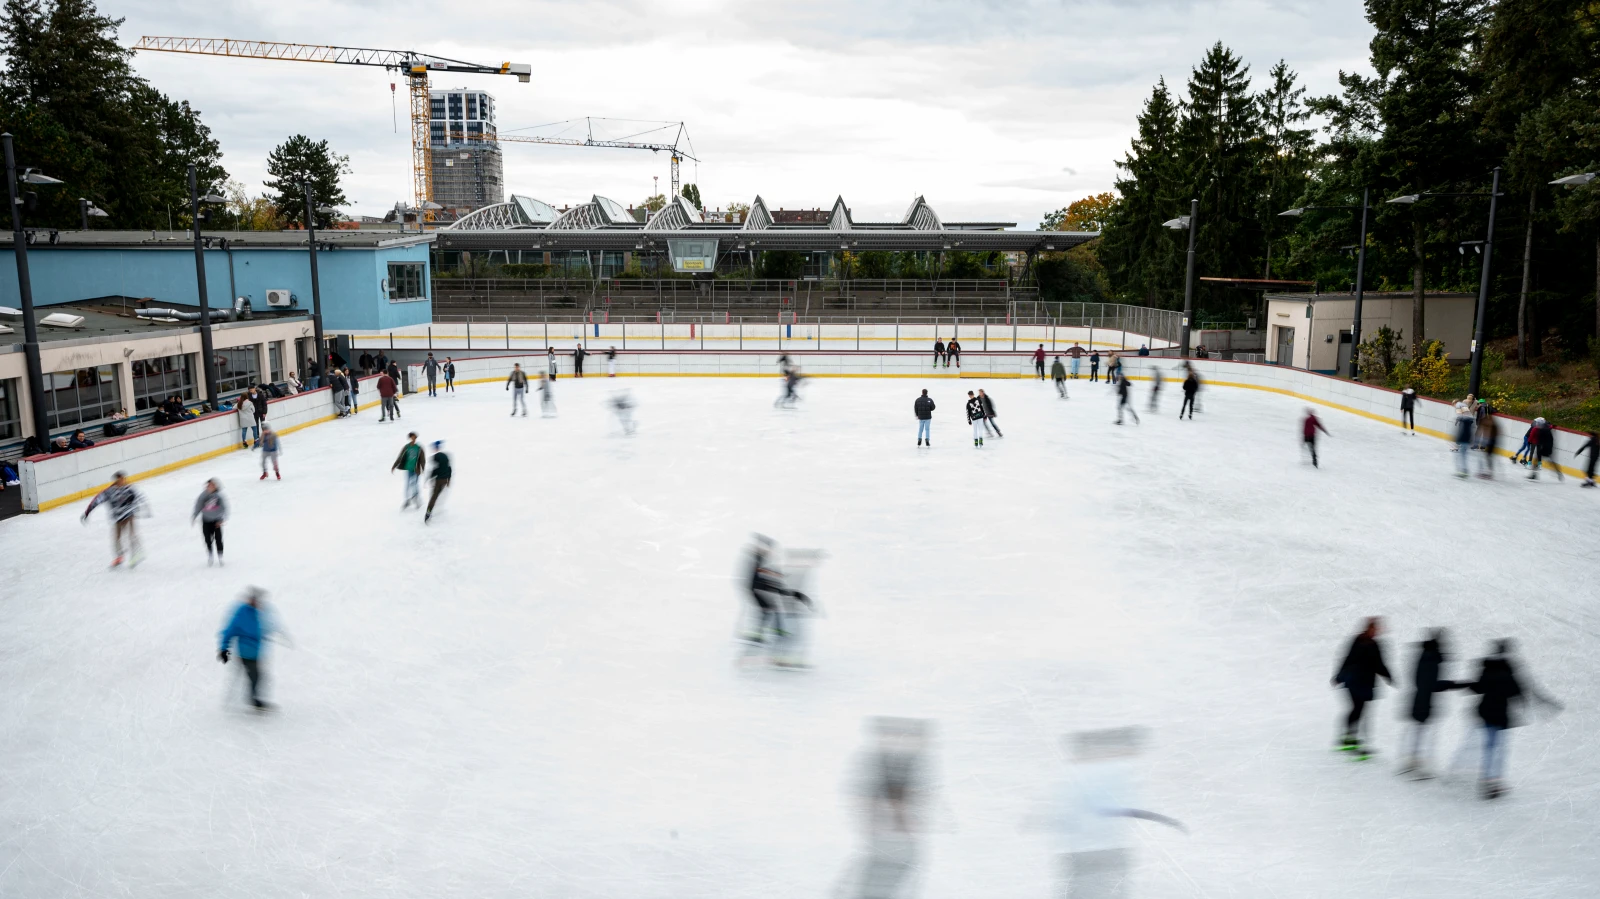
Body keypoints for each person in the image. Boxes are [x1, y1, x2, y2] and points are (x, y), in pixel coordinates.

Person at [1462, 638, 1561, 799]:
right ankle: (1493, 783)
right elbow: (1518, 692)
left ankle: (1487, 780)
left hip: (1486, 713)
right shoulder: (1509, 672)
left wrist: (1467, 684)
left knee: (1489, 747)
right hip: (1500, 715)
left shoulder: (1487, 668)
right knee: (1498, 749)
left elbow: (1478, 688)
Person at [1400, 629, 1459, 779]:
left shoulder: (1423, 656)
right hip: (1425, 701)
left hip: (1420, 697)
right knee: (1425, 732)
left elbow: (1417, 678)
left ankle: (1412, 762)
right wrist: (1452, 684)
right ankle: (1419, 766)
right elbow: (1433, 684)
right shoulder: (1431, 659)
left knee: (1419, 731)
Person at [1332, 617, 1392, 757]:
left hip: (1365, 682)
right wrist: (1339, 677)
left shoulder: (1374, 644)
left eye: (1377, 629)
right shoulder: (1358, 641)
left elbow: (1379, 664)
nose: (1376, 632)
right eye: (1374, 629)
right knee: (1357, 709)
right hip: (1354, 681)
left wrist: (1388, 676)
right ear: (1369, 628)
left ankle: (1348, 738)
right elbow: (1348, 658)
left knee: (1358, 710)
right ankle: (1352, 741)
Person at [217, 587, 273, 711]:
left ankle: (252, 697)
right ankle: (253, 699)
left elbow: (263, 628)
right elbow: (229, 631)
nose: (257, 603)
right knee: (255, 675)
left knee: (256, 675)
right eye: (255, 600)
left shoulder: (258, 613)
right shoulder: (242, 613)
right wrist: (223, 648)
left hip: (255, 652)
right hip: (246, 652)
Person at [82, 471, 147, 568]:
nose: (122, 481)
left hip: (129, 515)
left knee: (132, 535)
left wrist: (142, 507)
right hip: (118, 518)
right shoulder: (109, 492)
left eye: (123, 479)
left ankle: (136, 554)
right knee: (116, 538)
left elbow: (139, 497)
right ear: (116, 480)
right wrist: (87, 512)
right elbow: (97, 500)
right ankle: (119, 556)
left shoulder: (129, 488)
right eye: (120, 480)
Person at [191, 478, 228, 566]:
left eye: (212, 485)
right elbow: (198, 506)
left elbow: (225, 509)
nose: (209, 486)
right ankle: (210, 554)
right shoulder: (203, 496)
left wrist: (221, 519)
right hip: (206, 521)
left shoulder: (219, 496)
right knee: (207, 539)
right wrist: (194, 516)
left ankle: (220, 555)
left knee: (218, 539)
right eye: (208, 485)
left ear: (216, 486)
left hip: (216, 522)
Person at [392, 432, 425, 510]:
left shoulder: (419, 448)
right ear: (410, 438)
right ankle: (407, 500)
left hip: (416, 469)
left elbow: (423, 459)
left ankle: (416, 499)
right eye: (412, 437)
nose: (413, 439)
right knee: (407, 485)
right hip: (408, 469)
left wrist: (423, 468)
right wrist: (394, 465)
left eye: (415, 437)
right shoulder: (406, 447)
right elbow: (400, 457)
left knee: (415, 485)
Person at [425, 439, 451, 523]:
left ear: (436, 448)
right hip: (444, 480)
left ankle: (428, 512)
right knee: (436, 495)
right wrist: (448, 480)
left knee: (433, 496)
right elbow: (449, 468)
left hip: (438, 480)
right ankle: (433, 508)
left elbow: (435, 469)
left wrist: (429, 478)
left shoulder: (435, 457)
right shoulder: (446, 456)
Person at [1528, 417, 1562, 481]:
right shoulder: (1545, 429)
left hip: (1545, 448)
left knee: (1548, 461)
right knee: (1549, 461)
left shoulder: (1544, 430)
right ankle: (1559, 473)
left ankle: (1534, 474)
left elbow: (1545, 440)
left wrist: (1543, 448)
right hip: (1546, 448)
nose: (1536, 424)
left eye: (1537, 423)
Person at [1451, 400, 1475, 477]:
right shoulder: (1469, 421)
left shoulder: (1458, 405)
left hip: (1464, 440)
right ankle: (1464, 470)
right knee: (1463, 455)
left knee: (1461, 455)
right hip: (1466, 440)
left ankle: (1463, 471)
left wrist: (1457, 441)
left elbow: (1462, 431)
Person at [1475, 409, 1498, 479]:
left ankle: (1485, 471)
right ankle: (1487, 472)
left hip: (1489, 440)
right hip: (1490, 440)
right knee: (1487, 457)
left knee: (1485, 456)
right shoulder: (1492, 421)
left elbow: (1481, 430)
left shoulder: (1487, 420)